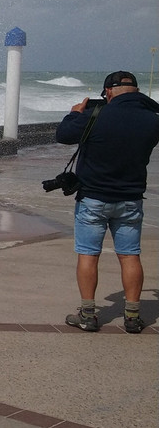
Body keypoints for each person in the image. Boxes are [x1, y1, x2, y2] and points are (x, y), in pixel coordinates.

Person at [56, 70, 159, 332]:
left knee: (89, 255)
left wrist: (76, 113)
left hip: (93, 198)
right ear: (135, 91)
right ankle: (133, 317)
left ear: (109, 92)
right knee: (130, 256)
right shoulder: (152, 120)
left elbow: (64, 134)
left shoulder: (95, 116)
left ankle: (88, 315)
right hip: (130, 199)